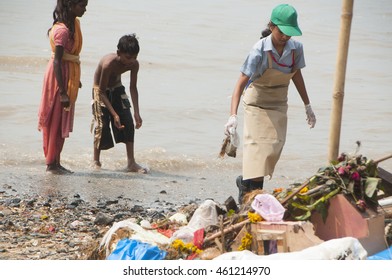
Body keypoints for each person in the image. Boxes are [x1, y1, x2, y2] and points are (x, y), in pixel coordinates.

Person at [224, 4, 316, 203]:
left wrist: (308, 105)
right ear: (272, 26)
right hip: (256, 102)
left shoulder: (296, 50)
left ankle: (245, 184)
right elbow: (240, 83)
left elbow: (297, 76)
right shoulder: (259, 50)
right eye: (282, 32)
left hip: (278, 103)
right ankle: (250, 196)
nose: (285, 37)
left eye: (289, 33)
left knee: (273, 149)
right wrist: (232, 116)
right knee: (257, 150)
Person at [38, 0, 88, 174]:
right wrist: (63, 92)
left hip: (67, 74)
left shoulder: (73, 25)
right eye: (82, 5)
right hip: (58, 77)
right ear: (71, 6)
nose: (85, 9)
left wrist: (75, 79)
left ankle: (56, 162)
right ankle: (51, 164)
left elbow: (68, 58)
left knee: (61, 119)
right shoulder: (62, 31)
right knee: (55, 120)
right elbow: (58, 61)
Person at [91, 34, 147, 173]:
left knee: (127, 122)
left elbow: (133, 87)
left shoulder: (134, 64)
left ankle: (131, 163)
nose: (131, 61)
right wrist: (114, 115)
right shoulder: (108, 64)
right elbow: (102, 92)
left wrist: (136, 112)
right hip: (100, 91)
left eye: (134, 57)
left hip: (117, 88)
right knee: (102, 124)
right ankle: (96, 161)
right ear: (119, 53)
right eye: (128, 57)